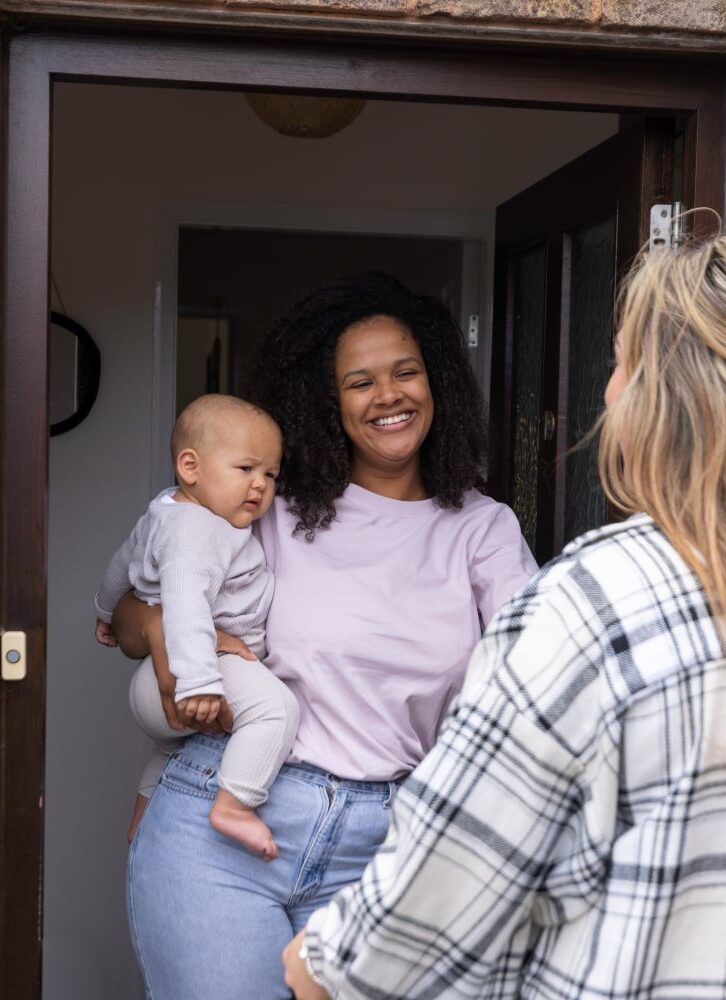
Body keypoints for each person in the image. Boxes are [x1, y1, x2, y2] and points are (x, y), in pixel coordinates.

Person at [283, 234, 726, 1000]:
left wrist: (323, 962)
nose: (606, 393)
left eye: (620, 364)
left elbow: (438, 899)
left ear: (672, 397)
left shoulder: (599, 604)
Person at [112, 273, 537, 1000]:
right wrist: (164, 633)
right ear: (326, 401)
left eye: (406, 372)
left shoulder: (483, 529)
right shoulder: (272, 508)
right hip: (224, 824)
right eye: (360, 382)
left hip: (386, 849)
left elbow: (539, 679)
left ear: (436, 381)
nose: (389, 396)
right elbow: (130, 612)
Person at [95, 393, 295, 858]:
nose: (261, 485)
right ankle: (235, 806)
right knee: (276, 711)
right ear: (190, 467)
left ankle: (143, 814)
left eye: (270, 474)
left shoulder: (165, 511)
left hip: (165, 677)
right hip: (190, 671)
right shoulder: (198, 531)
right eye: (245, 469)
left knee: (173, 750)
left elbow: (121, 565)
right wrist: (199, 683)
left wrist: (104, 611)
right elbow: (185, 607)